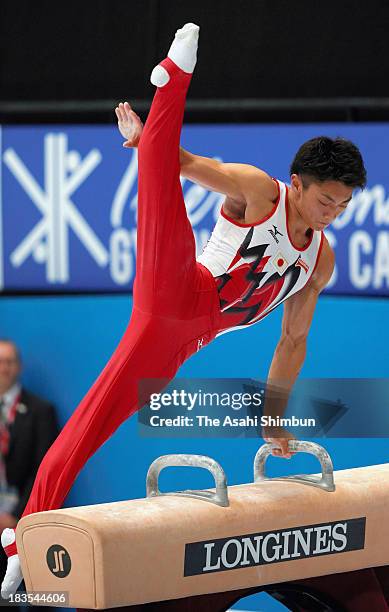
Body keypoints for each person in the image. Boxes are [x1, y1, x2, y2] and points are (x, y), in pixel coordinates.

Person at [0, 23, 366, 598]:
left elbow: (292, 343)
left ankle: (18, 539)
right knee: (161, 196)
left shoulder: (320, 262)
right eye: (324, 200)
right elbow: (188, 165)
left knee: (90, 426)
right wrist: (152, 143)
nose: (330, 215)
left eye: (343, 207)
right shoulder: (259, 191)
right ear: (296, 185)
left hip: (186, 342)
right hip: (177, 292)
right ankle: (173, 82)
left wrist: (272, 418)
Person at [0, 339, 58, 607]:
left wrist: (17, 517)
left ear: (19, 367)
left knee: (36, 598)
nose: (4, 368)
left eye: (9, 361)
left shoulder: (41, 411)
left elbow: (44, 472)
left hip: (26, 522)